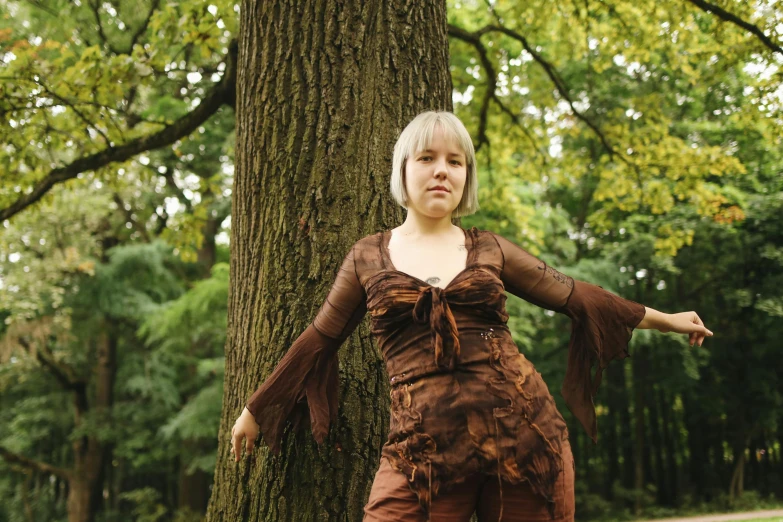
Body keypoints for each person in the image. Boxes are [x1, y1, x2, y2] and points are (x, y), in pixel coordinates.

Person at [230, 111, 713, 521]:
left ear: (465, 176)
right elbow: (319, 340)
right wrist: (257, 408)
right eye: (427, 158)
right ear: (403, 170)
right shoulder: (368, 256)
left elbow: (576, 295)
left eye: (454, 161)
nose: (442, 171)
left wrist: (668, 319)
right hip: (421, 454)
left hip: (525, 440)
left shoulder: (488, 248)